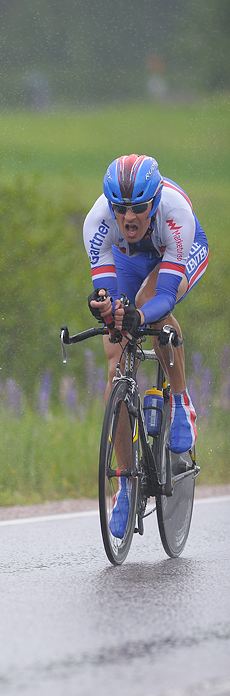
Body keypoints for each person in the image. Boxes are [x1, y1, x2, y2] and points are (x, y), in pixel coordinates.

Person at [83, 155, 208, 536]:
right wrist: (106, 309)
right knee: (115, 361)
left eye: (138, 207)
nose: (129, 217)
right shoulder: (97, 222)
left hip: (176, 253)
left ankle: (181, 401)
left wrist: (137, 314)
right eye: (121, 208)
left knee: (151, 312)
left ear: (154, 202)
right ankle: (125, 484)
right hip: (128, 261)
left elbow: (165, 296)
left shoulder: (176, 213)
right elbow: (107, 295)